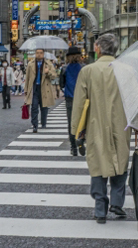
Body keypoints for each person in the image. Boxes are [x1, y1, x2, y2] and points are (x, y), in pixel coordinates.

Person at [71, 34, 130, 224]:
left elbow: (79, 104)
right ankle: (117, 202)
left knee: (97, 164)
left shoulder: (87, 71)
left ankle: (100, 209)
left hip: (95, 124)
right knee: (120, 161)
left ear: (97, 48)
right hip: (122, 124)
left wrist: (76, 131)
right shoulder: (127, 70)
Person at [24, 49, 57, 133]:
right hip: (34, 87)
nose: (39, 55)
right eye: (37, 53)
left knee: (44, 107)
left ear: (43, 54)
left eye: (41, 53)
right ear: (35, 54)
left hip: (44, 88)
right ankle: (35, 125)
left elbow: (54, 76)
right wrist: (26, 90)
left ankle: (43, 123)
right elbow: (27, 78)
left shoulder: (48, 64)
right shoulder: (30, 64)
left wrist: (48, 72)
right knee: (34, 107)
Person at [59, 47, 84, 156]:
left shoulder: (64, 68)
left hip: (70, 98)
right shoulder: (84, 68)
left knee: (71, 123)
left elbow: (61, 84)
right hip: (83, 98)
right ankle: (81, 141)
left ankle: (73, 147)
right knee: (83, 121)